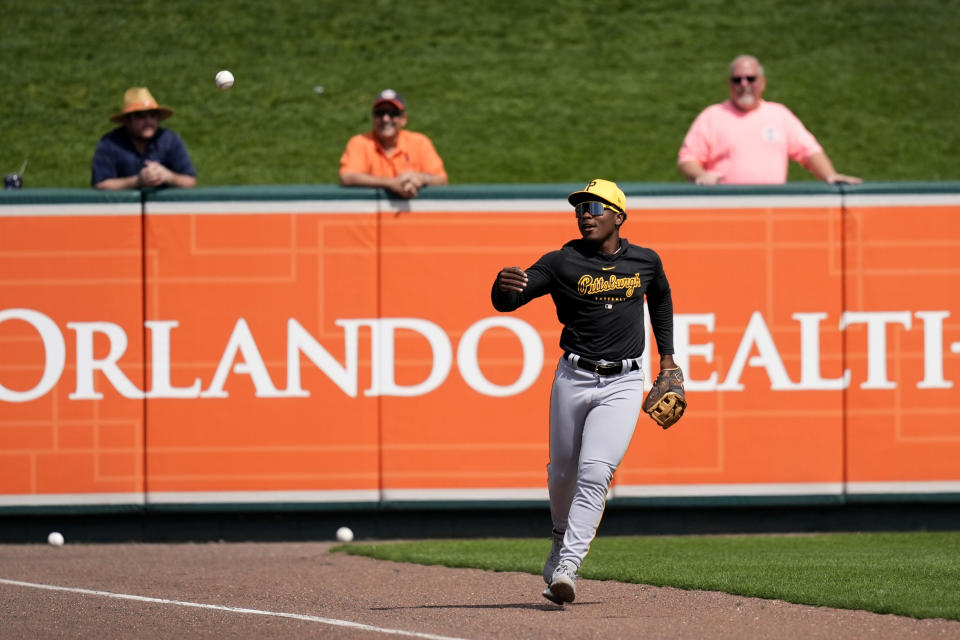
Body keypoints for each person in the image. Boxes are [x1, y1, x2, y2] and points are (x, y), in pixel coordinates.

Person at [491, 178, 680, 605]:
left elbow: (662, 299)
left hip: (625, 381)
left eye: (595, 207)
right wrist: (502, 289)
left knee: (595, 473)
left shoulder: (645, 261)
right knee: (561, 475)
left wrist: (667, 360)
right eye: (581, 208)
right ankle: (560, 537)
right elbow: (510, 301)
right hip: (573, 378)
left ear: (619, 216)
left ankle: (568, 567)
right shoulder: (562, 262)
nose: (586, 214)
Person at [677, 55, 861, 186]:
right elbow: (688, 158)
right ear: (729, 84)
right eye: (737, 80)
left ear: (762, 82)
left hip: (770, 209)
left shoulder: (779, 115)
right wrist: (700, 175)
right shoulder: (712, 116)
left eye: (750, 79)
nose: (744, 85)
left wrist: (829, 175)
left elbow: (809, 151)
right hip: (724, 208)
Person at [339, 89, 447, 198]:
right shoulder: (360, 142)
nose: (386, 119)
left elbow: (441, 180)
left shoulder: (419, 142)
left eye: (392, 113)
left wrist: (421, 178)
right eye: (380, 113)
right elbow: (347, 177)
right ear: (373, 118)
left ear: (403, 119)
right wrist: (391, 183)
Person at [91, 87, 197, 190]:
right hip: (122, 208)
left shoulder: (170, 140)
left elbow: (190, 181)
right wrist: (138, 180)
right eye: (141, 115)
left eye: (153, 115)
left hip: (164, 208)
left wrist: (167, 176)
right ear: (127, 120)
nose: (148, 121)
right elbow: (100, 184)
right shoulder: (110, 143)